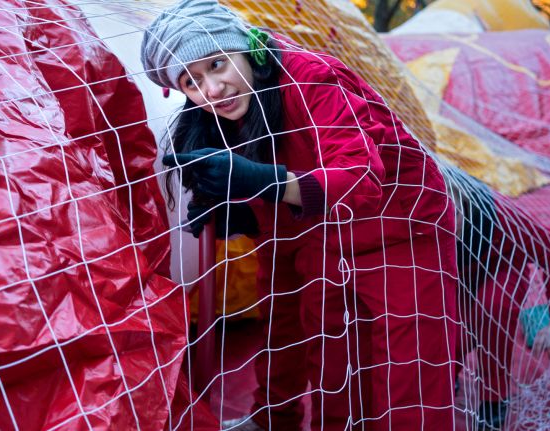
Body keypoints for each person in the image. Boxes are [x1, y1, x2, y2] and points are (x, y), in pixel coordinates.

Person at [141, 1, 459, 430]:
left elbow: (362, 176)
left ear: (246, 49)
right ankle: (281, 419)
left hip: (398, 226)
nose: (213, 89)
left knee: (410, 367)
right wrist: (236, 207)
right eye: (193, 82)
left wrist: (262, 181)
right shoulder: (211, 120)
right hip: (318, 231)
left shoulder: (312, 76)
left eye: (217, 64)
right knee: (333, 362)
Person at [450, 172, 550, 429]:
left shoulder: (501, 216)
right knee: (447, 328)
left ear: (464, 203)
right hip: (459, 275)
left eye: (453, 213)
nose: (446, 220)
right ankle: (444, 374)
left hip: (502, 266)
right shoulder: (420, 220)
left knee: (492, 309)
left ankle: (494, 399)